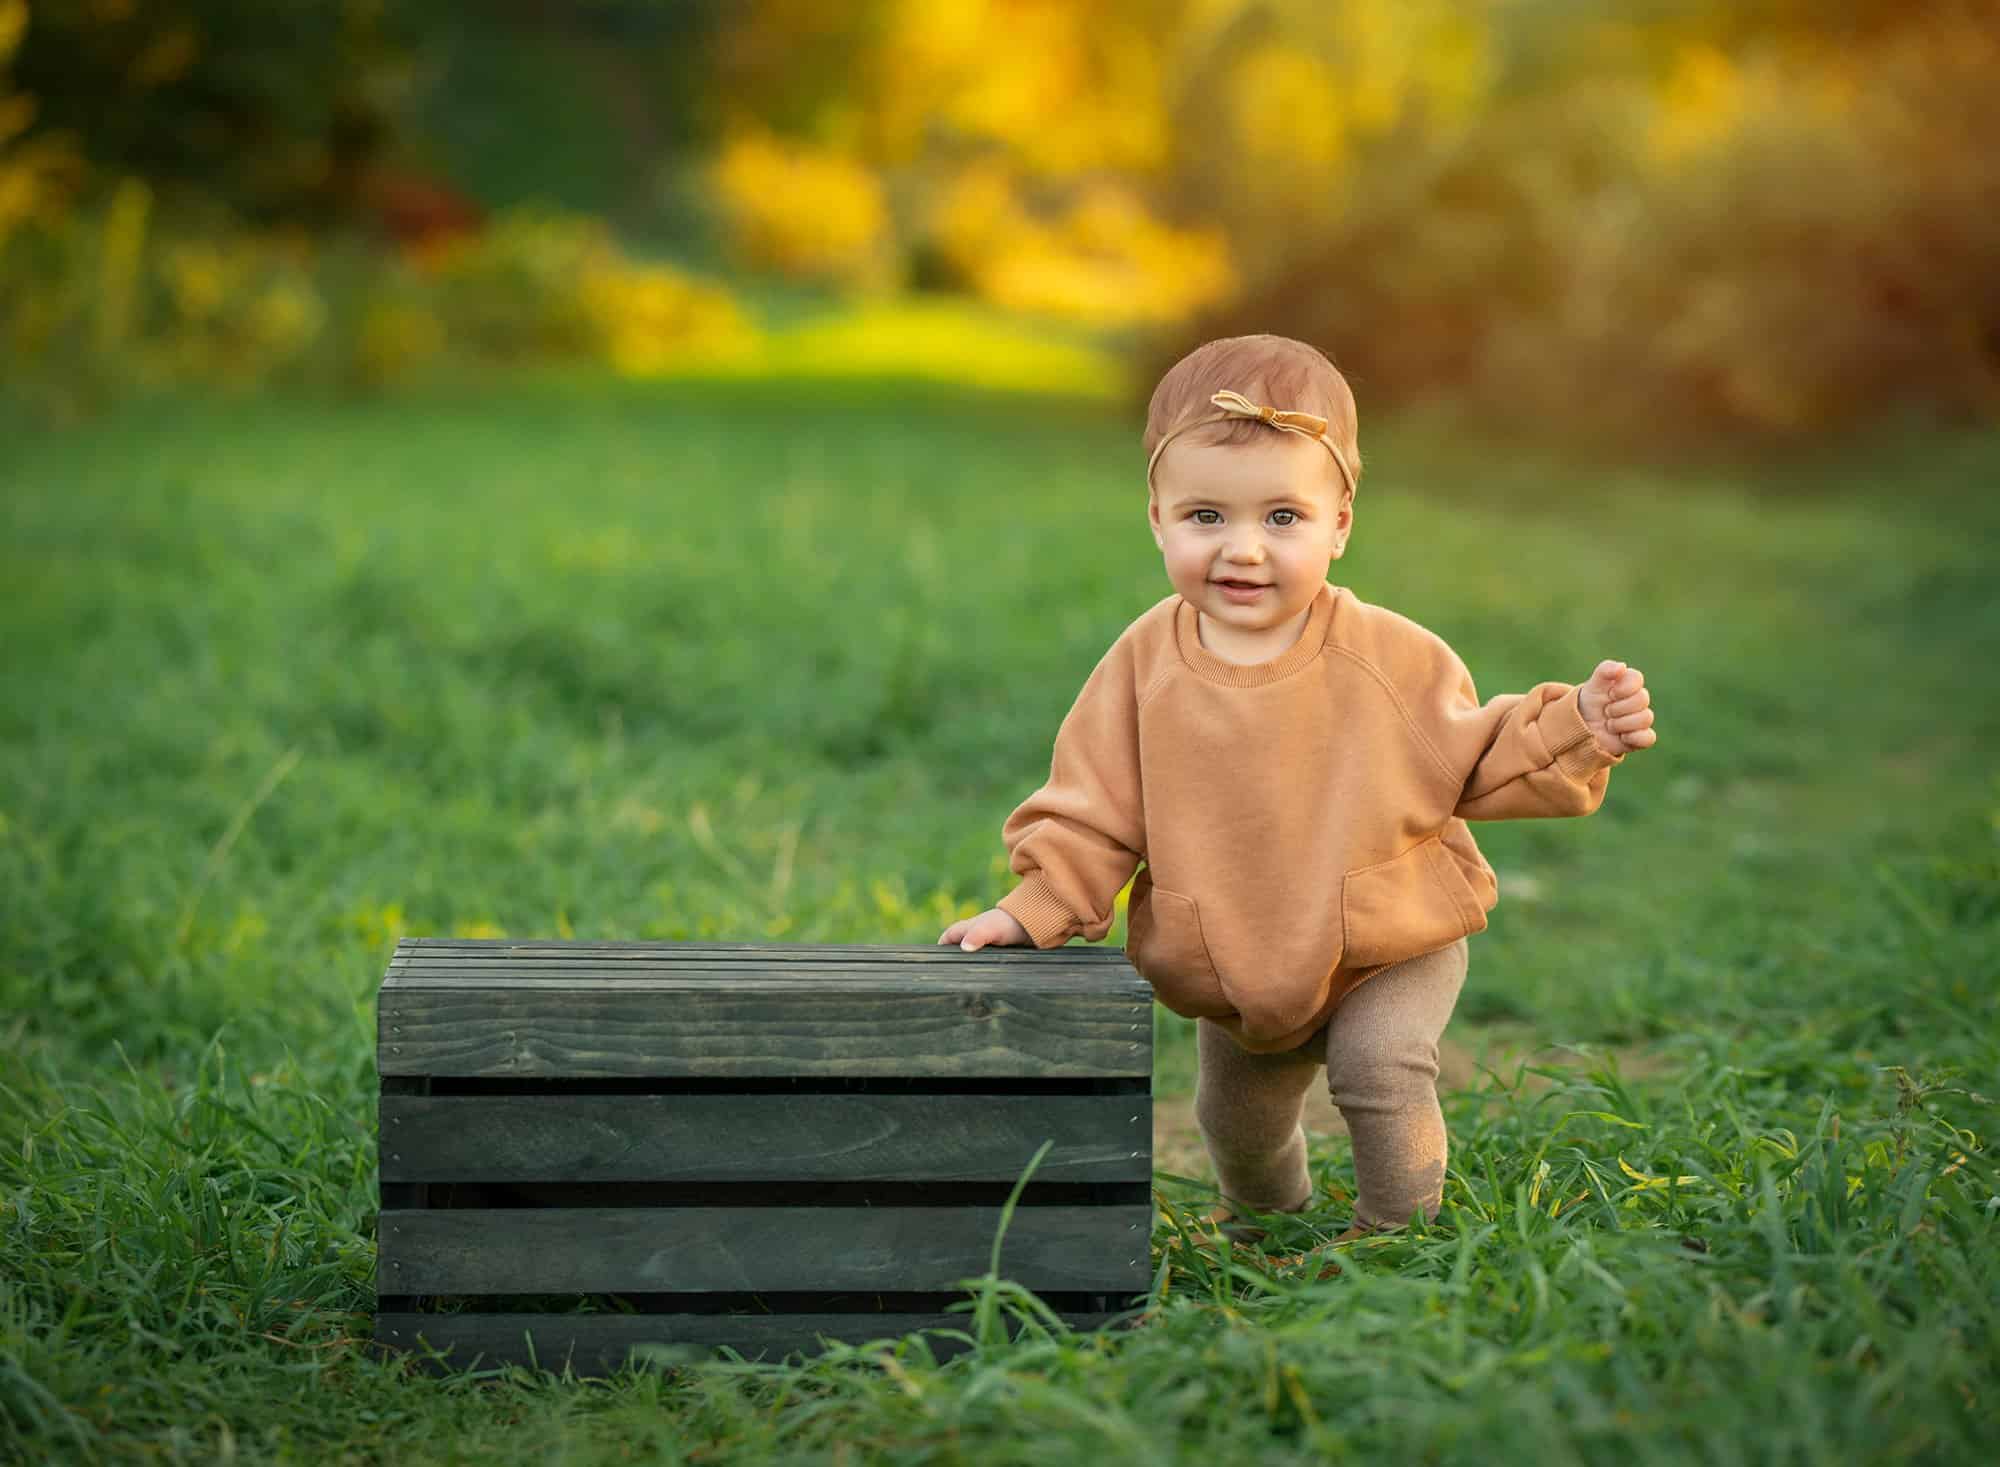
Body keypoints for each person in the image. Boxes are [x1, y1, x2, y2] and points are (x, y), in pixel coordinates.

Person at [937, 333, 1659, 1251]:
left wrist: (1577, 728)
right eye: (1207, 517)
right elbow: (1093, 806)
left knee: (1380, 1063)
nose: (1244, 550)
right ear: (1156, 517)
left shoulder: (1387, 655)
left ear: (1340, 524)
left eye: (1283, 518)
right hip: (1240, 958)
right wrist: (1034, 904)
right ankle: (1263, 1223)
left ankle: (1397, 1235)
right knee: (1235, 1119)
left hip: (1389, 938)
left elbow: (1478, 754)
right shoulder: (1143, 668)